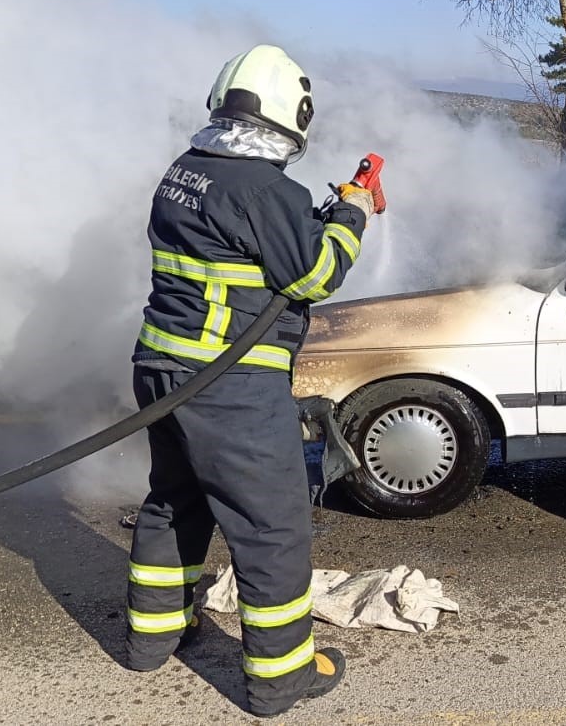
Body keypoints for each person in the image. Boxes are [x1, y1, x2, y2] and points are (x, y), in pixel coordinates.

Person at [124, 44, 374, 716]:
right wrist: (351, 213)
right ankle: (279, 678)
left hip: (162, 370)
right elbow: (316, 274)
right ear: (291, 118)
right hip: (228, 386)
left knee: (174, 498)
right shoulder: (266, 190)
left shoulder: (186, 170)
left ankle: (151, 638)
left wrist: (305, 224)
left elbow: (240, 248)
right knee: (272, 527)